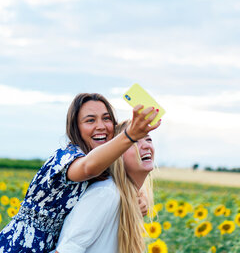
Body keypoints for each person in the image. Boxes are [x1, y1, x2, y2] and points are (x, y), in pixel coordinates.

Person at [0, 93, 160, 252]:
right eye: (90, 120)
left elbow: (121, 178)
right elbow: (88, 168)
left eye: (106, 118)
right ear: (76, 128)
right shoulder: (67, 156)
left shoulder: (103, 167)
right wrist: (130, 135)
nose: (101, 126)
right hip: (20, 243)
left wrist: (137, 196)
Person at [52, 120, 155, 253]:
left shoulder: (130, 198)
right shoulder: (106, 193)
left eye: (149, 139)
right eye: (134, 142)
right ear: (116, 153)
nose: (146, 146)